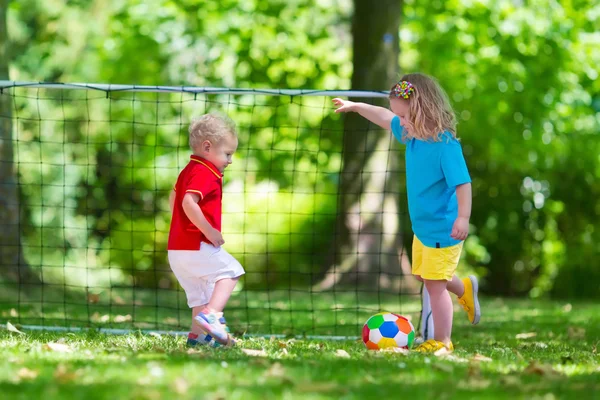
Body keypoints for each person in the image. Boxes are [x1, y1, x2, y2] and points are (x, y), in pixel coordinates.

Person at [332, 73, 481, 352]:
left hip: (443, 228)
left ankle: (442, 341)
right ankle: (464, 290)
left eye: (405, 116)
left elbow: (463, 183)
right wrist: (355, 106)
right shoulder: (411, 134)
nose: (399, 122)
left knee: (435, 288)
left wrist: (463, 217)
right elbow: (383, 117)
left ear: (424, 111)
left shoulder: (446, 146)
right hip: (422, 228)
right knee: (429, 277)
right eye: (398, 117)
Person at [167, 113, 244, 347]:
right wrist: (209, 231)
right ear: (207, 147)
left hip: (177, 250)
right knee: (232, 271)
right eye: (227, 154)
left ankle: (198, 338)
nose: (230, 160)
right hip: (195, 244)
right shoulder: (206, 172)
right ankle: (212, 315)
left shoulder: (188, 170)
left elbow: (174, 198)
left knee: (200, 296)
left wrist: (181, 224)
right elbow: (188, 203)